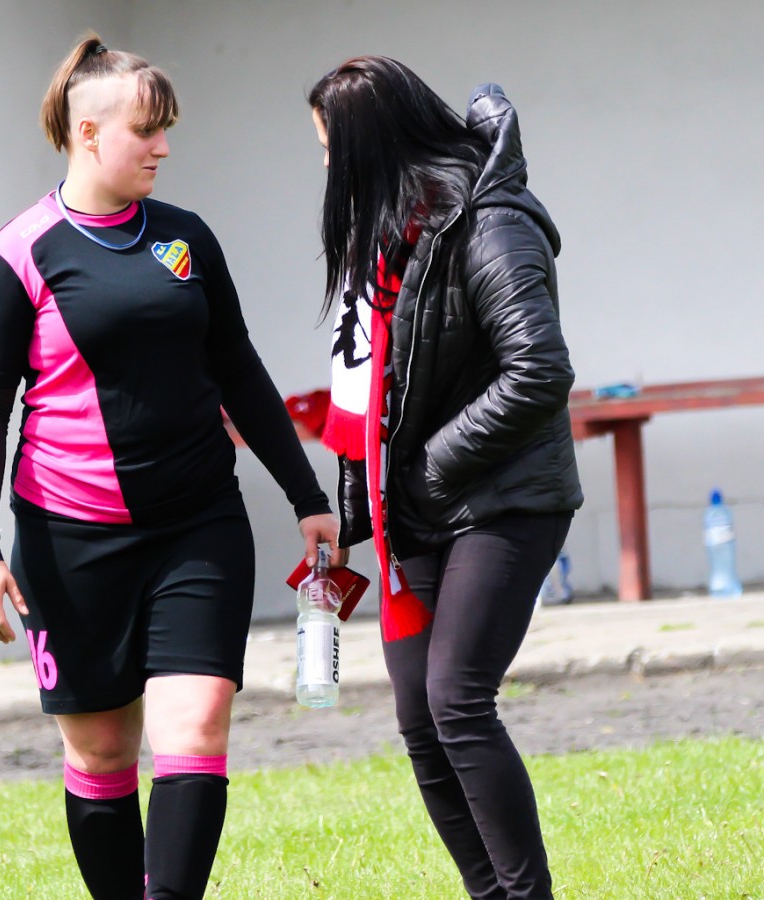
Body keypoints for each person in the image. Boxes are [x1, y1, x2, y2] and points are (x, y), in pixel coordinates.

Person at [0, 33, 339, 899]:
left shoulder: (185, 238)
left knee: (195, 727)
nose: (164, 147)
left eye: (166, 130)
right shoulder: (15, 256)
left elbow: (238, 368)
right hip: (68, 540)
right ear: (88, 133)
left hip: (197, 525)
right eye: (146, 130)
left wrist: (306, 494)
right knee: (101, 751)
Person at [307, 57, 583, 899]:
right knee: (419, 721)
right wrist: (360, 503)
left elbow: (539, 371)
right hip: (419, 507)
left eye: (331, 150)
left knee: (457, 700)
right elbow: (374, 387)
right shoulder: (388, 234)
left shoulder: (491, 221)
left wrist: (427, 469)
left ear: (371, 146)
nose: (327, 168)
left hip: (505, 497)